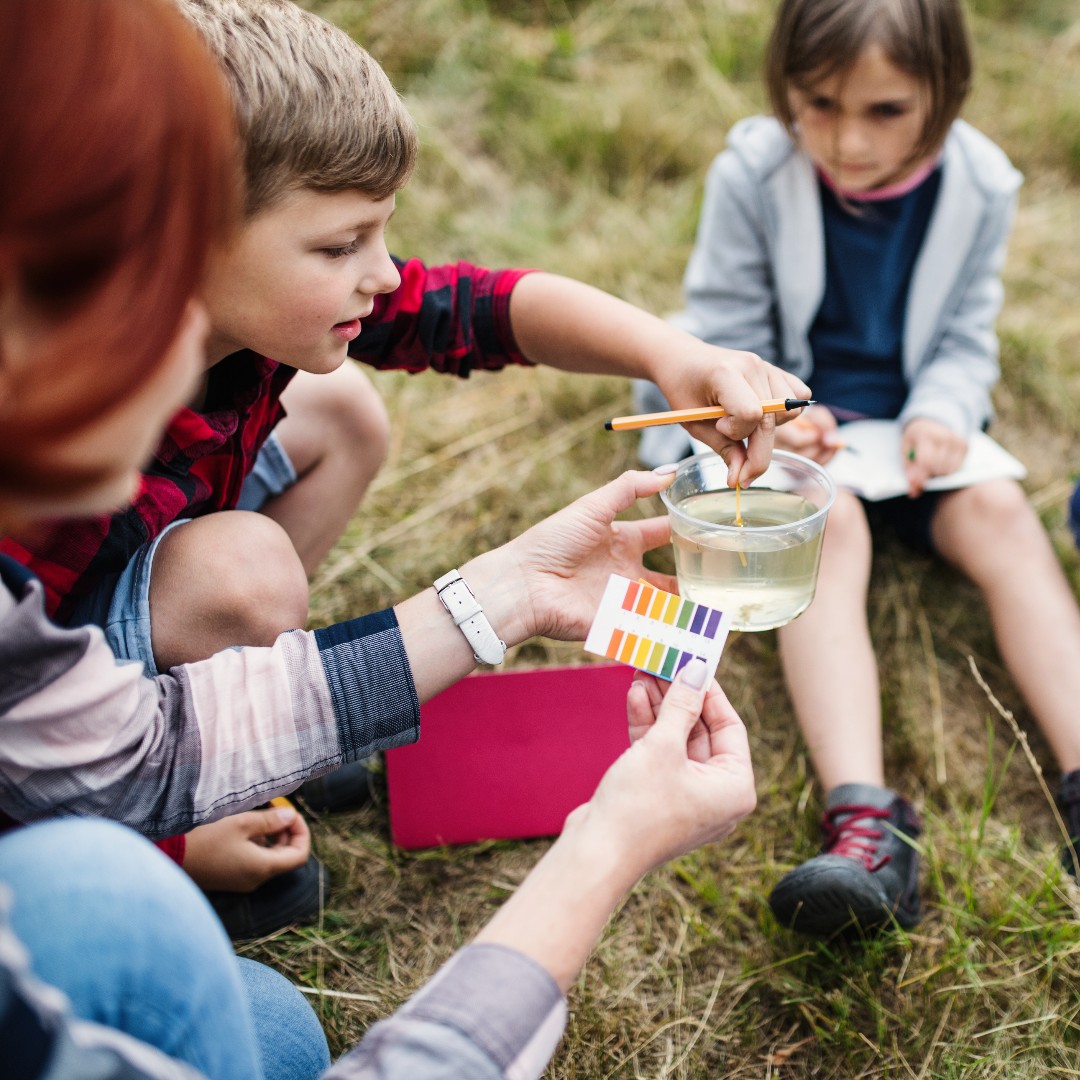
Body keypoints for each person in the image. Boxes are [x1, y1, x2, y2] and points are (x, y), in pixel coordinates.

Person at [1, 1, 764, 1072]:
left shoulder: (241, 315)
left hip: (76, 678)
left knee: (345, 409)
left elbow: (475, 307)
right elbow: (44, 755)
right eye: (341, 243)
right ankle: (212, 764)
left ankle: (266, 724)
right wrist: (168, 839)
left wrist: (672, 356)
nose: (382, 272)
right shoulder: (45, 497)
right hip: (74, 675)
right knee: (246, 576)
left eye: (383, 231)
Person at [635, 0, 1080, 936]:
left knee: (1002, 516)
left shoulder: (981, 184)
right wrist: (774, 411)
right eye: (821, 104)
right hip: (786, 436)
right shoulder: (754, 171)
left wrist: (944, 415)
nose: (847, 138)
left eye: (885, 111)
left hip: (913, 438)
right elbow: (720, 326)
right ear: (785, 88)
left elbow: (966, 336)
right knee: (831, 534)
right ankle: (867, 827)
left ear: (943, 96)